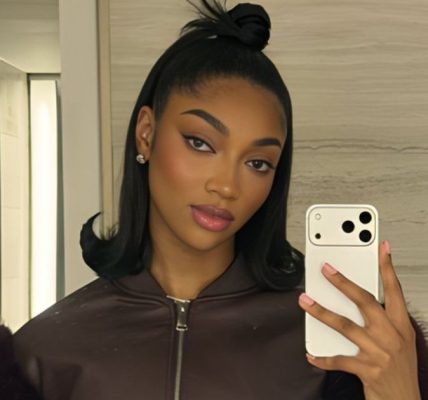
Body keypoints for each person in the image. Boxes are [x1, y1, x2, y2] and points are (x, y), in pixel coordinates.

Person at [3, 0, 427, 399]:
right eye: (200, 143)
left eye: (258, 163)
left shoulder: (339, 349)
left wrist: (402, 390)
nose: (227, 186)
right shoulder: (41, 355)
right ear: (146, 134)